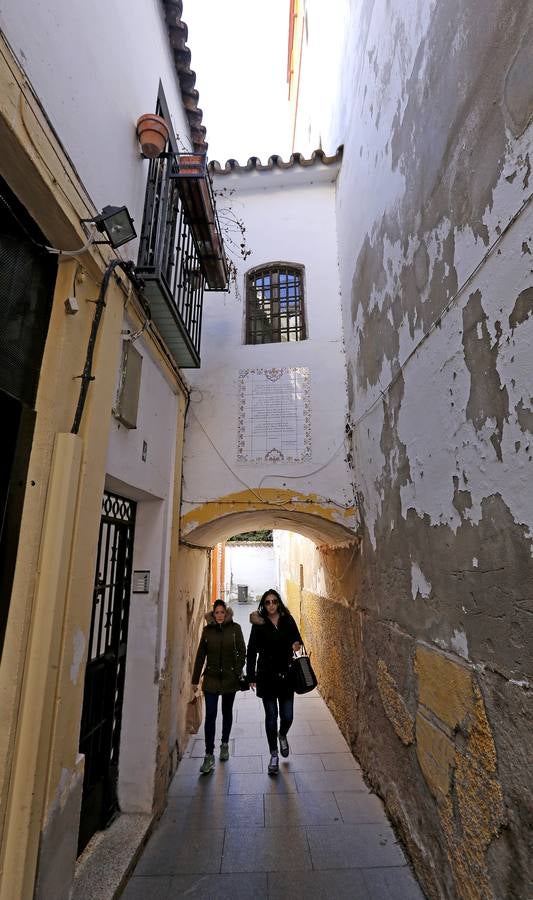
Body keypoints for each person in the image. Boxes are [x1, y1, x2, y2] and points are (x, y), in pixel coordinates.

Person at [246, 588, 302, 775]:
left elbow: (297, 640)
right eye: (268, 602)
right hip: (266, 676)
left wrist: (296, 644)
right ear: (264, 604)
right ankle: (273, 755)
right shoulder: (259, 624)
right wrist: (251, 676)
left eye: (274, 601)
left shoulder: (288, 620)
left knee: (287, 716)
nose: (271, 605)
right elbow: (252, 650)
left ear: (279, 603)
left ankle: (282, 734)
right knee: (271, 717)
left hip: (286, 676)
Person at [192, 598, 246, 775]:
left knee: (227, 712)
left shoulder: (235, 629)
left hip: (230, 679)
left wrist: (237, 669)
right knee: (211, 715)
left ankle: (224, 744)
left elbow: (242, 650)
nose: (220, 615)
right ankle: (208, 754)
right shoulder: (207, 631)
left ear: (227, 613)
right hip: (212, 678)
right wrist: (194, 679)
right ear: (213, 615)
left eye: (222, 612)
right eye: (217, 613)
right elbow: (201, 655)